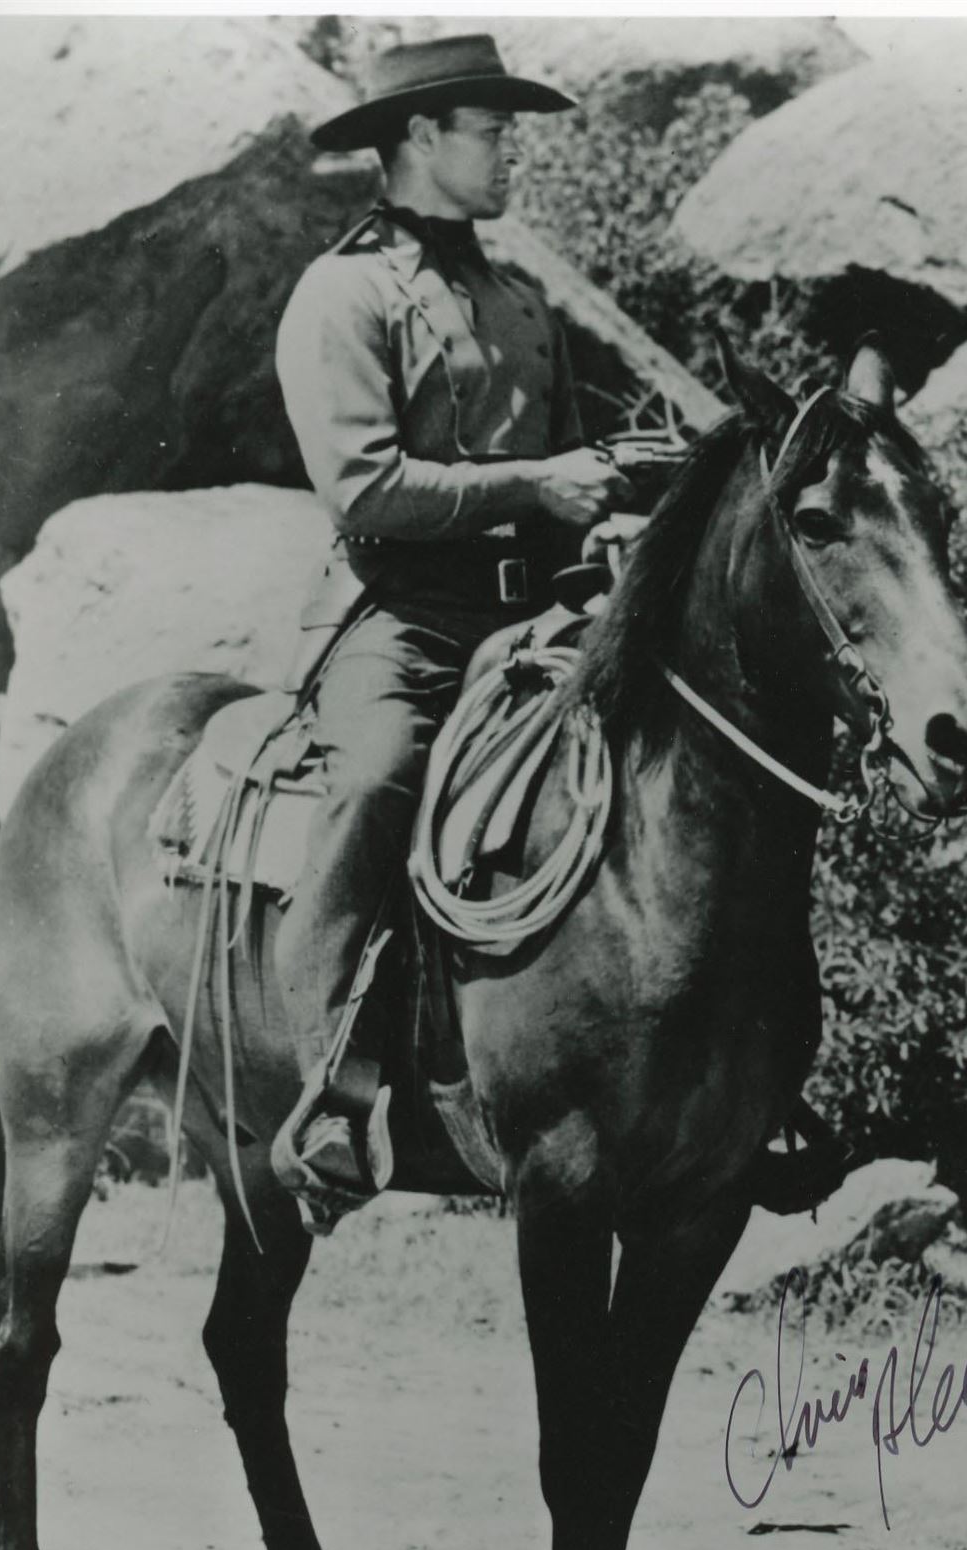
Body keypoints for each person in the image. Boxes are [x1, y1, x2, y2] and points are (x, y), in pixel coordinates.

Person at [270, 35, 631, 1203]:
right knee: (379, 777)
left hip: (540, 618)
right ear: (422, 137)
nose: (514, 150)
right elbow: (364, 488)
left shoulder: (520, 299)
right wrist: (537, 485)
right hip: (405, 620)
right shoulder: (345, 293)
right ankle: (331, 1088)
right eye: (495, 130)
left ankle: (709, 1074)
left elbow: (571, 474)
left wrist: (610, 520)